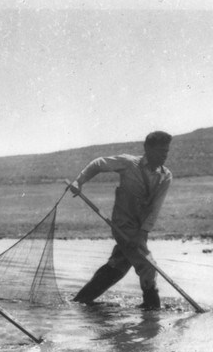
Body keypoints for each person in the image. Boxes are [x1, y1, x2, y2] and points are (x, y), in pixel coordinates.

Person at [70, 131, 172, 310]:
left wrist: (141, 234)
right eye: (159, 151)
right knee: (147, 265)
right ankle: (152, 311)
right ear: (147, 149)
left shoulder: (165, 176)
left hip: (140, 229)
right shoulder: (129, 163)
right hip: (123, 225)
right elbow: (99, 164)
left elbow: (155, 208)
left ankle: (80, 301)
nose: (163, 156)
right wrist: (79, 181)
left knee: (119, 264)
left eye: (166, 152)